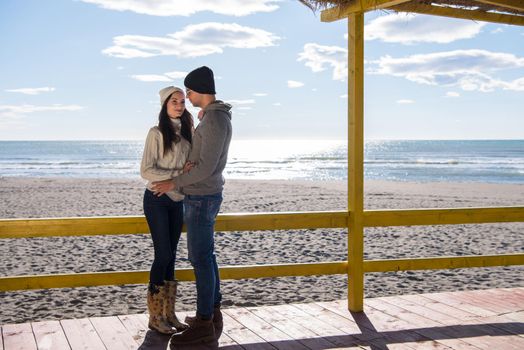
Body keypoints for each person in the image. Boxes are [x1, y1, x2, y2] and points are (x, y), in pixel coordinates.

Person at [151, 66, 232, 345]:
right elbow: (202, 161)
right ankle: (211, 314)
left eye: (188, 91)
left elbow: (206, 168)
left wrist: (175, 183)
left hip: (201, 197)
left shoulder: (213, 121)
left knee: (200, 259)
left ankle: (204, 323)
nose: (187, 96)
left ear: (198, 90)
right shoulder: (212, 118)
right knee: (206, 257)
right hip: (202, 195)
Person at [140, 86, 193, 334]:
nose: (180, 105)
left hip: (177, 199)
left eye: (182, 101)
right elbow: (146, 171)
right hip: (157, 198)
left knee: (171, 256)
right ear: (165, 104)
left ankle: (169, 313)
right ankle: (154, 316)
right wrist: (175, 176)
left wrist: (177, 180)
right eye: (175, 101)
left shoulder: (188, 134)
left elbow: (190, 169)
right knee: (162, 254)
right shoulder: (156, 133)